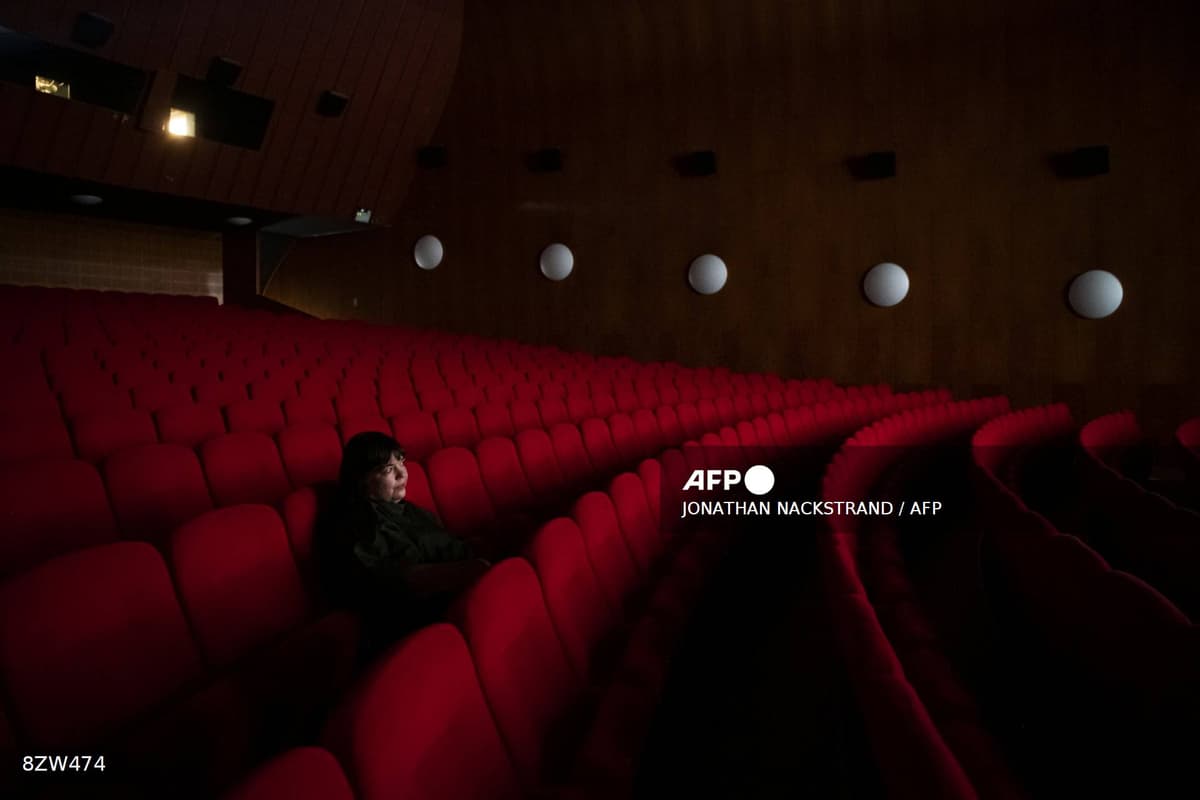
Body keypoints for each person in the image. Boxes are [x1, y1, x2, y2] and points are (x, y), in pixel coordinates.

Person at [317, 431, 489, 649]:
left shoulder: (405, 508)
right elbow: (396, 580)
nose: (402, 474)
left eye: (401, 461)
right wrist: (471, 571)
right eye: (388, 470)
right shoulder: (360, 524)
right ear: (361, 482)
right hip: (422, 621)